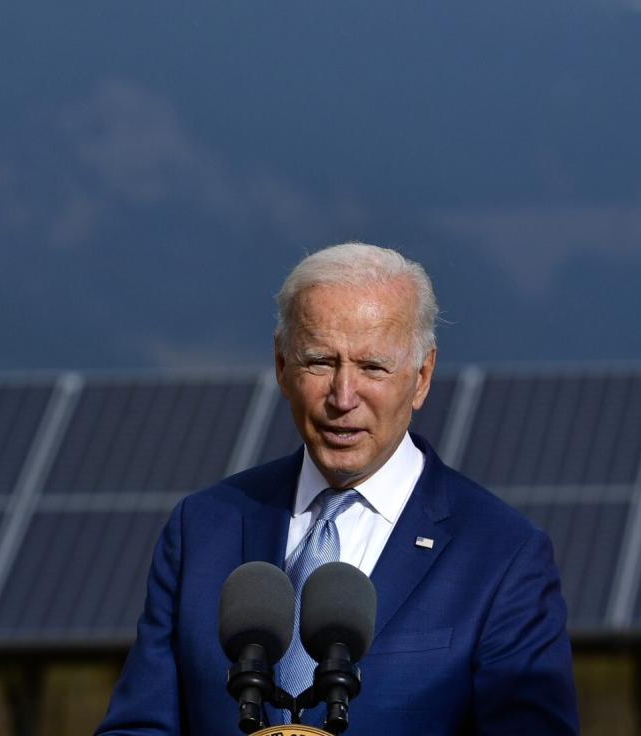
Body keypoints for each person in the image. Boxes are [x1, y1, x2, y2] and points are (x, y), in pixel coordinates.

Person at [95, 242, 579, 735]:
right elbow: (139, 726)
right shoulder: (203, 529)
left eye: (372, 367)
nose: (343, 397)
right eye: (321, 362)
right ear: (282, 366)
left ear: (422, 377)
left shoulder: (502, 556)